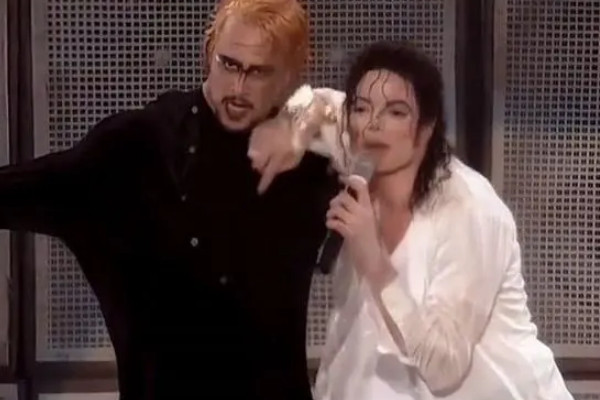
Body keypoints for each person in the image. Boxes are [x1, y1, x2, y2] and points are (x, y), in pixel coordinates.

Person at [0, 0, 340, 399]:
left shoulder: (312, 161)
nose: (237, 88)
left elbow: (388, 139)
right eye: (228, 64)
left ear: (294, 71)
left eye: (259, 72)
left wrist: (310, 111)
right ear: (209, 51)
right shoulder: (138, 146)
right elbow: (19, 189)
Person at [294, 41, 574, 399]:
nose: (373, 125)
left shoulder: (470, 211)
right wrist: (282, 131)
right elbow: (314, 104)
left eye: (396, 112)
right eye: (361, 108)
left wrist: (375, 262)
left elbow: (443, 367)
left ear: (427, 128)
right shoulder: (361, 155)